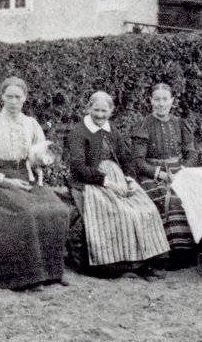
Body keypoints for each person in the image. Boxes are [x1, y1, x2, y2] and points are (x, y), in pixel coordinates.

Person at [0, 76, 73, 291]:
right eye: (8, 96)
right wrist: (6, 181)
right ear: (1, 97)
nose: (13, 102)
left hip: (26, 177)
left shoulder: (32, 124)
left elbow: (39, 153)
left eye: (18, 97)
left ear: (25, 99)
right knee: (25, 214)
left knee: (57, 209)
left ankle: (51, 273)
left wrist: (42, 160)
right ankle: (26, 277)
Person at [65, 91, 171, 278]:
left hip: (118, 178)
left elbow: (127, 157)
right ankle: (112, 264)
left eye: (104, 111)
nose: (99, 115)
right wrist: (109, 183)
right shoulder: (78, 132)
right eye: (96, 110)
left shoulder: (111, 129)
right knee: (119, 212)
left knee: (146, 209)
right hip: (91, 181)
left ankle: (146, 261)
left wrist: (129, 179)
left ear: (111, 111)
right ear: (89, 108)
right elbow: (78, 167)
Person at [120, 82, 202, 267]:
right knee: (168, 199)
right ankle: (165, 254)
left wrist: (181, 171)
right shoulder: (144, 125)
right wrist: (162, 175)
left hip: (179, 172)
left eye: (165, 99)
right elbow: (138, 161)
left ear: (172, 101)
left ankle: (189, 252)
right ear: (151, 101)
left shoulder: (180, 124)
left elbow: (191, 153)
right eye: (157, 99)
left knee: (189, 198)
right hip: (152, 174)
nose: (161, 103)